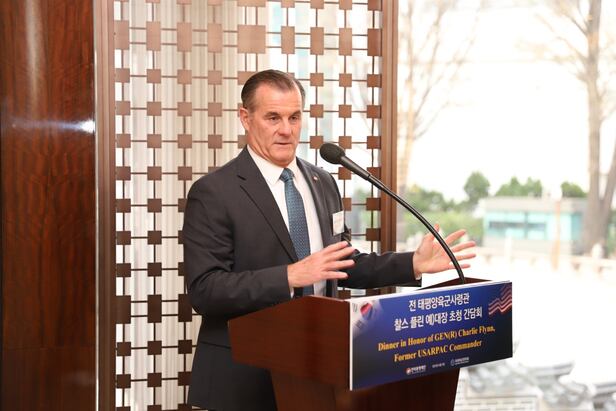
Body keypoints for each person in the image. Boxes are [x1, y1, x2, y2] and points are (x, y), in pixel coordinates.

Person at [183, 69, 475, 411]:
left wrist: (413, 263)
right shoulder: (215, 192)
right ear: (245, 118)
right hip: (245, 379)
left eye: (294, 117)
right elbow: (205, 290)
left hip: (319, 374)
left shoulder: (322, 182)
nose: (286, 130)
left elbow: (342, 264)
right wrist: (289, 276)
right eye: (273, 117)